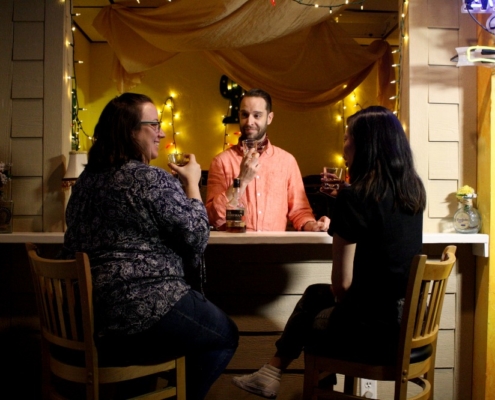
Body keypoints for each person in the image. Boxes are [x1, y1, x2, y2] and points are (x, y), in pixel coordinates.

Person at [231, 105, 426, 399]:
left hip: (375, 332)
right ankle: (271, 372)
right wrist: (347, 198)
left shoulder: (355, 195)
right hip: (409, 325)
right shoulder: (412, 189)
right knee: (316, 295)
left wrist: (346, 201)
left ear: (366, 145)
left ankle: (275, 374)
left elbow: (343, 286)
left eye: (348, 137)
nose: (344, 144)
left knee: (315, 315)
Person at [60, 93, 238, 400]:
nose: (162, 132)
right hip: (139, 316)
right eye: (154, 124)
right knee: (224, 335)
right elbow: (197, 235)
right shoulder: (150, 179)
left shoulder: (87, 181)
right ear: (131, 131)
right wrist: (193, 183)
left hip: (87, 321)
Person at [206, 88, 330, 232]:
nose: (249, 122)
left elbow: (300, 212)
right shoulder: (221, 161)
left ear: (269, 118)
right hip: (234, 252)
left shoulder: (286, 161)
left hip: (275, 251)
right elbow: (211, 218)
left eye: (257, 115)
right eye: (245, 115)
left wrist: (313, 226)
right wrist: (242, 180)